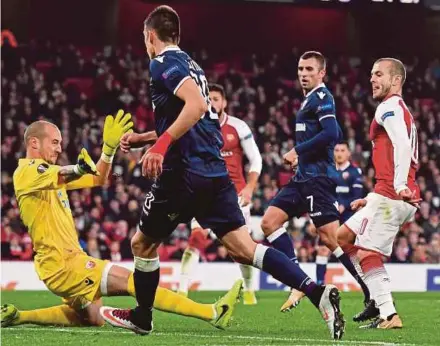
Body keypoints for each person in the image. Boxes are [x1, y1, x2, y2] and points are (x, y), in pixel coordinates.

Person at [101, 6, 345, 340]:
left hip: (182, 173)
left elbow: (197, 107)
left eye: (145, 39)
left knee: (142, 244)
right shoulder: (192, 65)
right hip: (215, 174)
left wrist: (159, 147)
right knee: (245, 249)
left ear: (151, 36)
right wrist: (145, 138)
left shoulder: (161, 63)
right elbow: (199, 119)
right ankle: (317, 294)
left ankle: (143, 316)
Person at [1, 113, 240, 330]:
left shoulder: (47, 175)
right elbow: (65, 172)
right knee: (134, 282)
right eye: (54, 142)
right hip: (63, 264)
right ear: (34, 142)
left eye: (60, 142)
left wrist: (108, 149)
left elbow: (99, 180)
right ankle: (211, 312)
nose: (59, 148)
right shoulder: (27, 172)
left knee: (92, 318)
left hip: (66, 261)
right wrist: (79, 167)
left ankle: (20, 316)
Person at [260, 51, 370, 314]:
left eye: (309, 69)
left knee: (332, 240)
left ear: (321, 73)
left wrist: (298, 151)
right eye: (300, 69)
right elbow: (335, 133)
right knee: (269, 222)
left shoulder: (322, 96)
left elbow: (332, 132)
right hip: (302, 178)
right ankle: (297, 281)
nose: (303, 74)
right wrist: (306, 155)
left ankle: (371, 291)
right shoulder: (310, 99)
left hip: (317, 179)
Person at [337, 58, 421, 329]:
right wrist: (372, 197)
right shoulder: (399, 109)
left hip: (395, 195)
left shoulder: (389, 106)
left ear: (396, 80)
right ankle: (375, 297)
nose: (372, 79)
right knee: (343, 236)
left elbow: (402, 145)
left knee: (366, 254)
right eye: (371, 74)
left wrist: (398, 185)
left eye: (379, 74)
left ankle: (388, 313)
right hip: (385, 193)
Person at [177, 83, 263, 305]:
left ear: (224, 102)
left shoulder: (238, 127)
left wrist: (250, 187)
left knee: (242, 248)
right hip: (204, 191)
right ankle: (182, 289)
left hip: (235, 195)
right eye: (209, 98)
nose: (213, 102)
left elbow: (256, 159)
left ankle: (250, 290)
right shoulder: (195, 125)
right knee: (197, 237)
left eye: (217, 99)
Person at [314, 142, 365, 286]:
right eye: (336, 150)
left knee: (351, 253)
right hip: (329, 215)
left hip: (346, 218)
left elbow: (357, 196)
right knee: (323, 249)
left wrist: (343, 205)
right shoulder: (327, 170)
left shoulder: (355, 172)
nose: (339, 153)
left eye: (342, 150)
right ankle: (319, 285)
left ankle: (363, 282)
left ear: (348, 153)